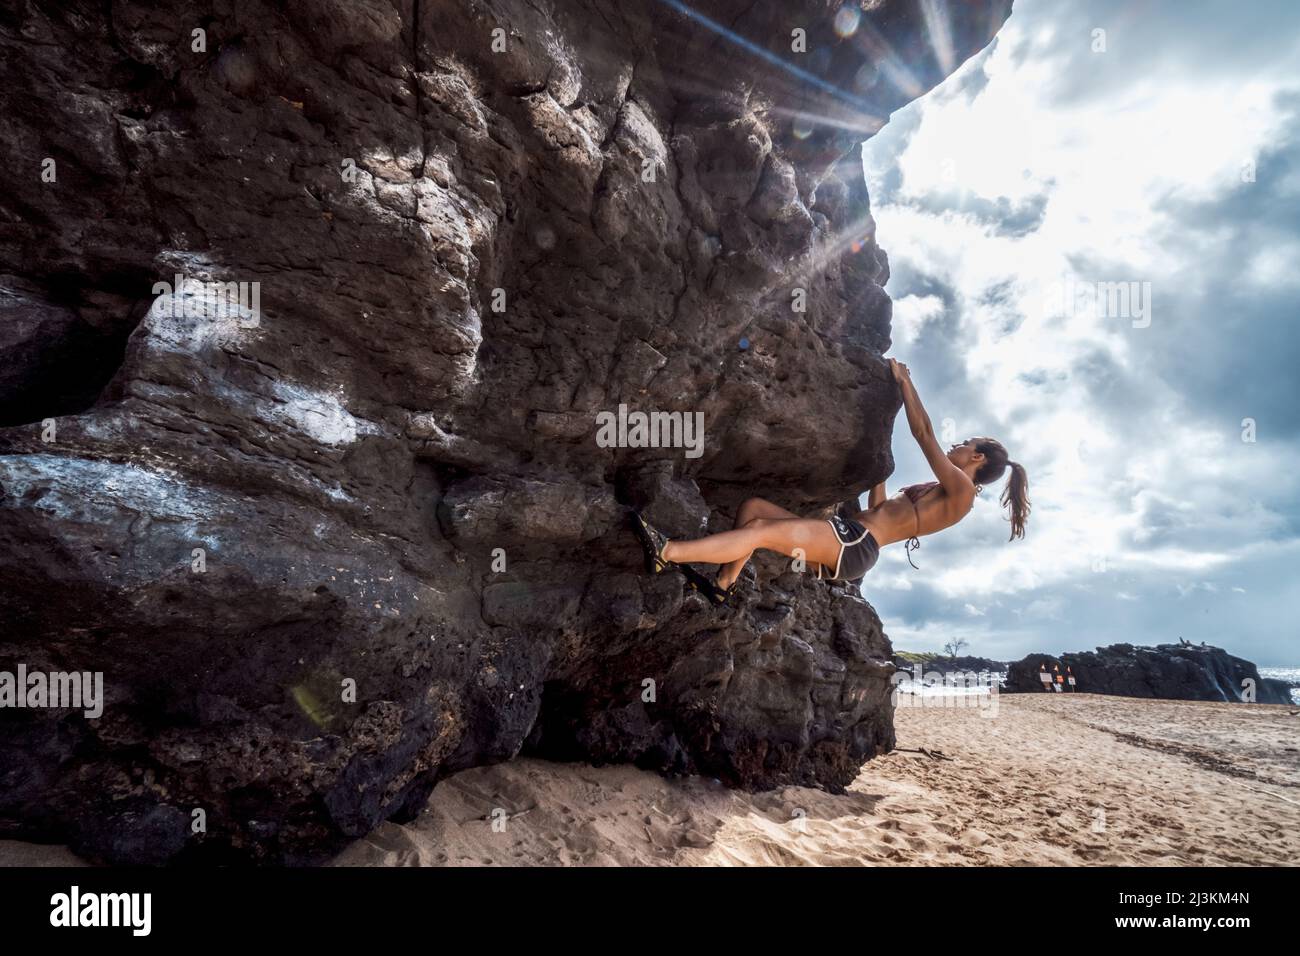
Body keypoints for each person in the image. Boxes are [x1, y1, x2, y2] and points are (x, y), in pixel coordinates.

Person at [633, 359, 1031, 604]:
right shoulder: (939, 491)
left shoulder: (961, 491)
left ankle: (669, 552)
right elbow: (878, 508)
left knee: (756, 532)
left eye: (965, 444)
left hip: (857, 544)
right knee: (754, 509)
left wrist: (905, 383)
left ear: (976, 458)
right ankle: (723, 583)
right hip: (854, 535)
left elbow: (925, 434)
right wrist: (881, 443)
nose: (956, 446)